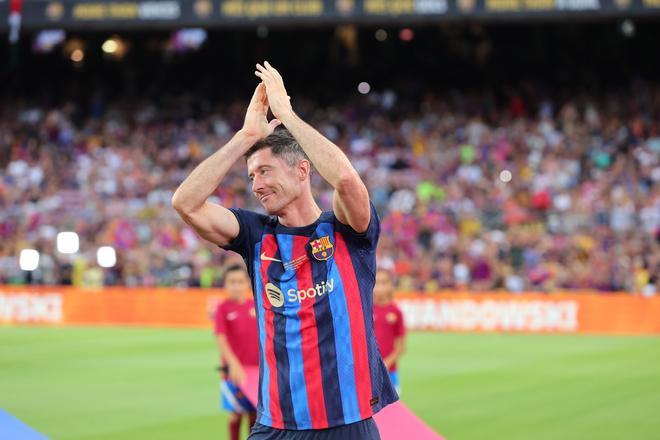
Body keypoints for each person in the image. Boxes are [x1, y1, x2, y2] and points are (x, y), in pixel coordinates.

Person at [172, 61, 397, 439]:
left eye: (265, 171)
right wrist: (246, 137)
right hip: (276, 426)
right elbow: (186, 203)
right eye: (251, 176)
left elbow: (345, 178)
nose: (256, 185)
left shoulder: (345, 231)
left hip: (348, 425)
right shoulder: (255, 236)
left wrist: (288, 115)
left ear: (302, 171)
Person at [214, 264, 259, 440]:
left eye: (240, 282)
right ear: (225, 284)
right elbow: (221, 337)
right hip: (235, 371)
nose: (236, 286)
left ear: (248, 284)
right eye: (232, 282)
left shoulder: (255, 305)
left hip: (257, 371)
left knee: (254, 414)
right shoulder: (223, 308)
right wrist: (232, 363)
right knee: (235, 413)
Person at [373, 268, 406, 394]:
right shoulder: (366, 308)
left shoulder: (396, 311)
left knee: (391, 411)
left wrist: (385, 364)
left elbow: (401, 347)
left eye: (384, 283)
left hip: (390, 373)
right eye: (377, 282)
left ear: (390, 285)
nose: (380, 287)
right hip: (369, 373)